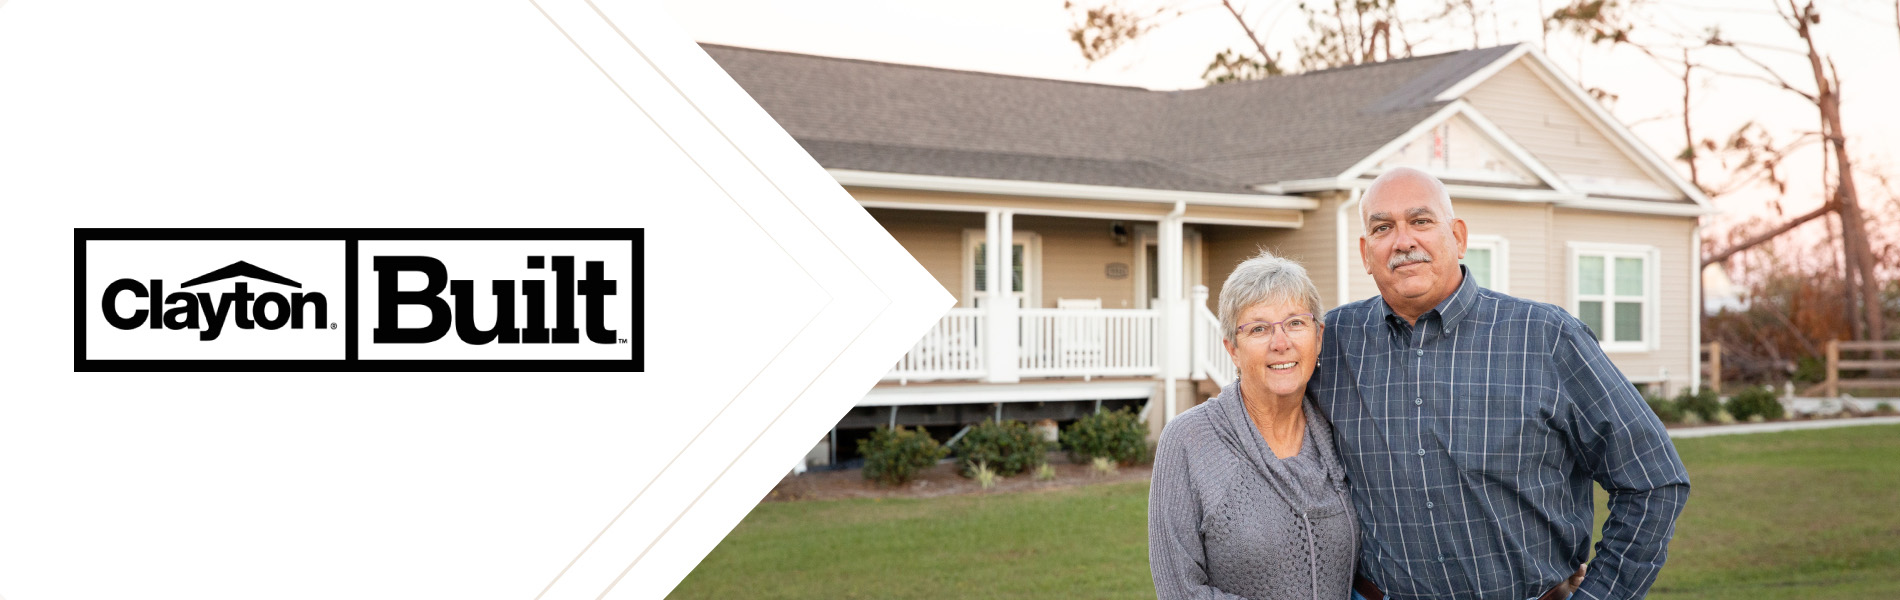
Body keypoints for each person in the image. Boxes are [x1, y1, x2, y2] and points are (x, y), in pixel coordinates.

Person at [1312, 167, 1690, 600]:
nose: (1403, 241)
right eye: (1383, 228)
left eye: (1421, 221)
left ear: (1458, 236)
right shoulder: (1333, 344)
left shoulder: (1546, 337)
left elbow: (1653, 479)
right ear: (1365, 253)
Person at [1150, 251, 1356, 600]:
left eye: (1295, 323)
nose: (1281, 343)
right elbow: (1179, 590)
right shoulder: (1189, 440)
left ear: (1318, 337)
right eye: (1259, 329)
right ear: (1232, 349)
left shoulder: (1339, 430)